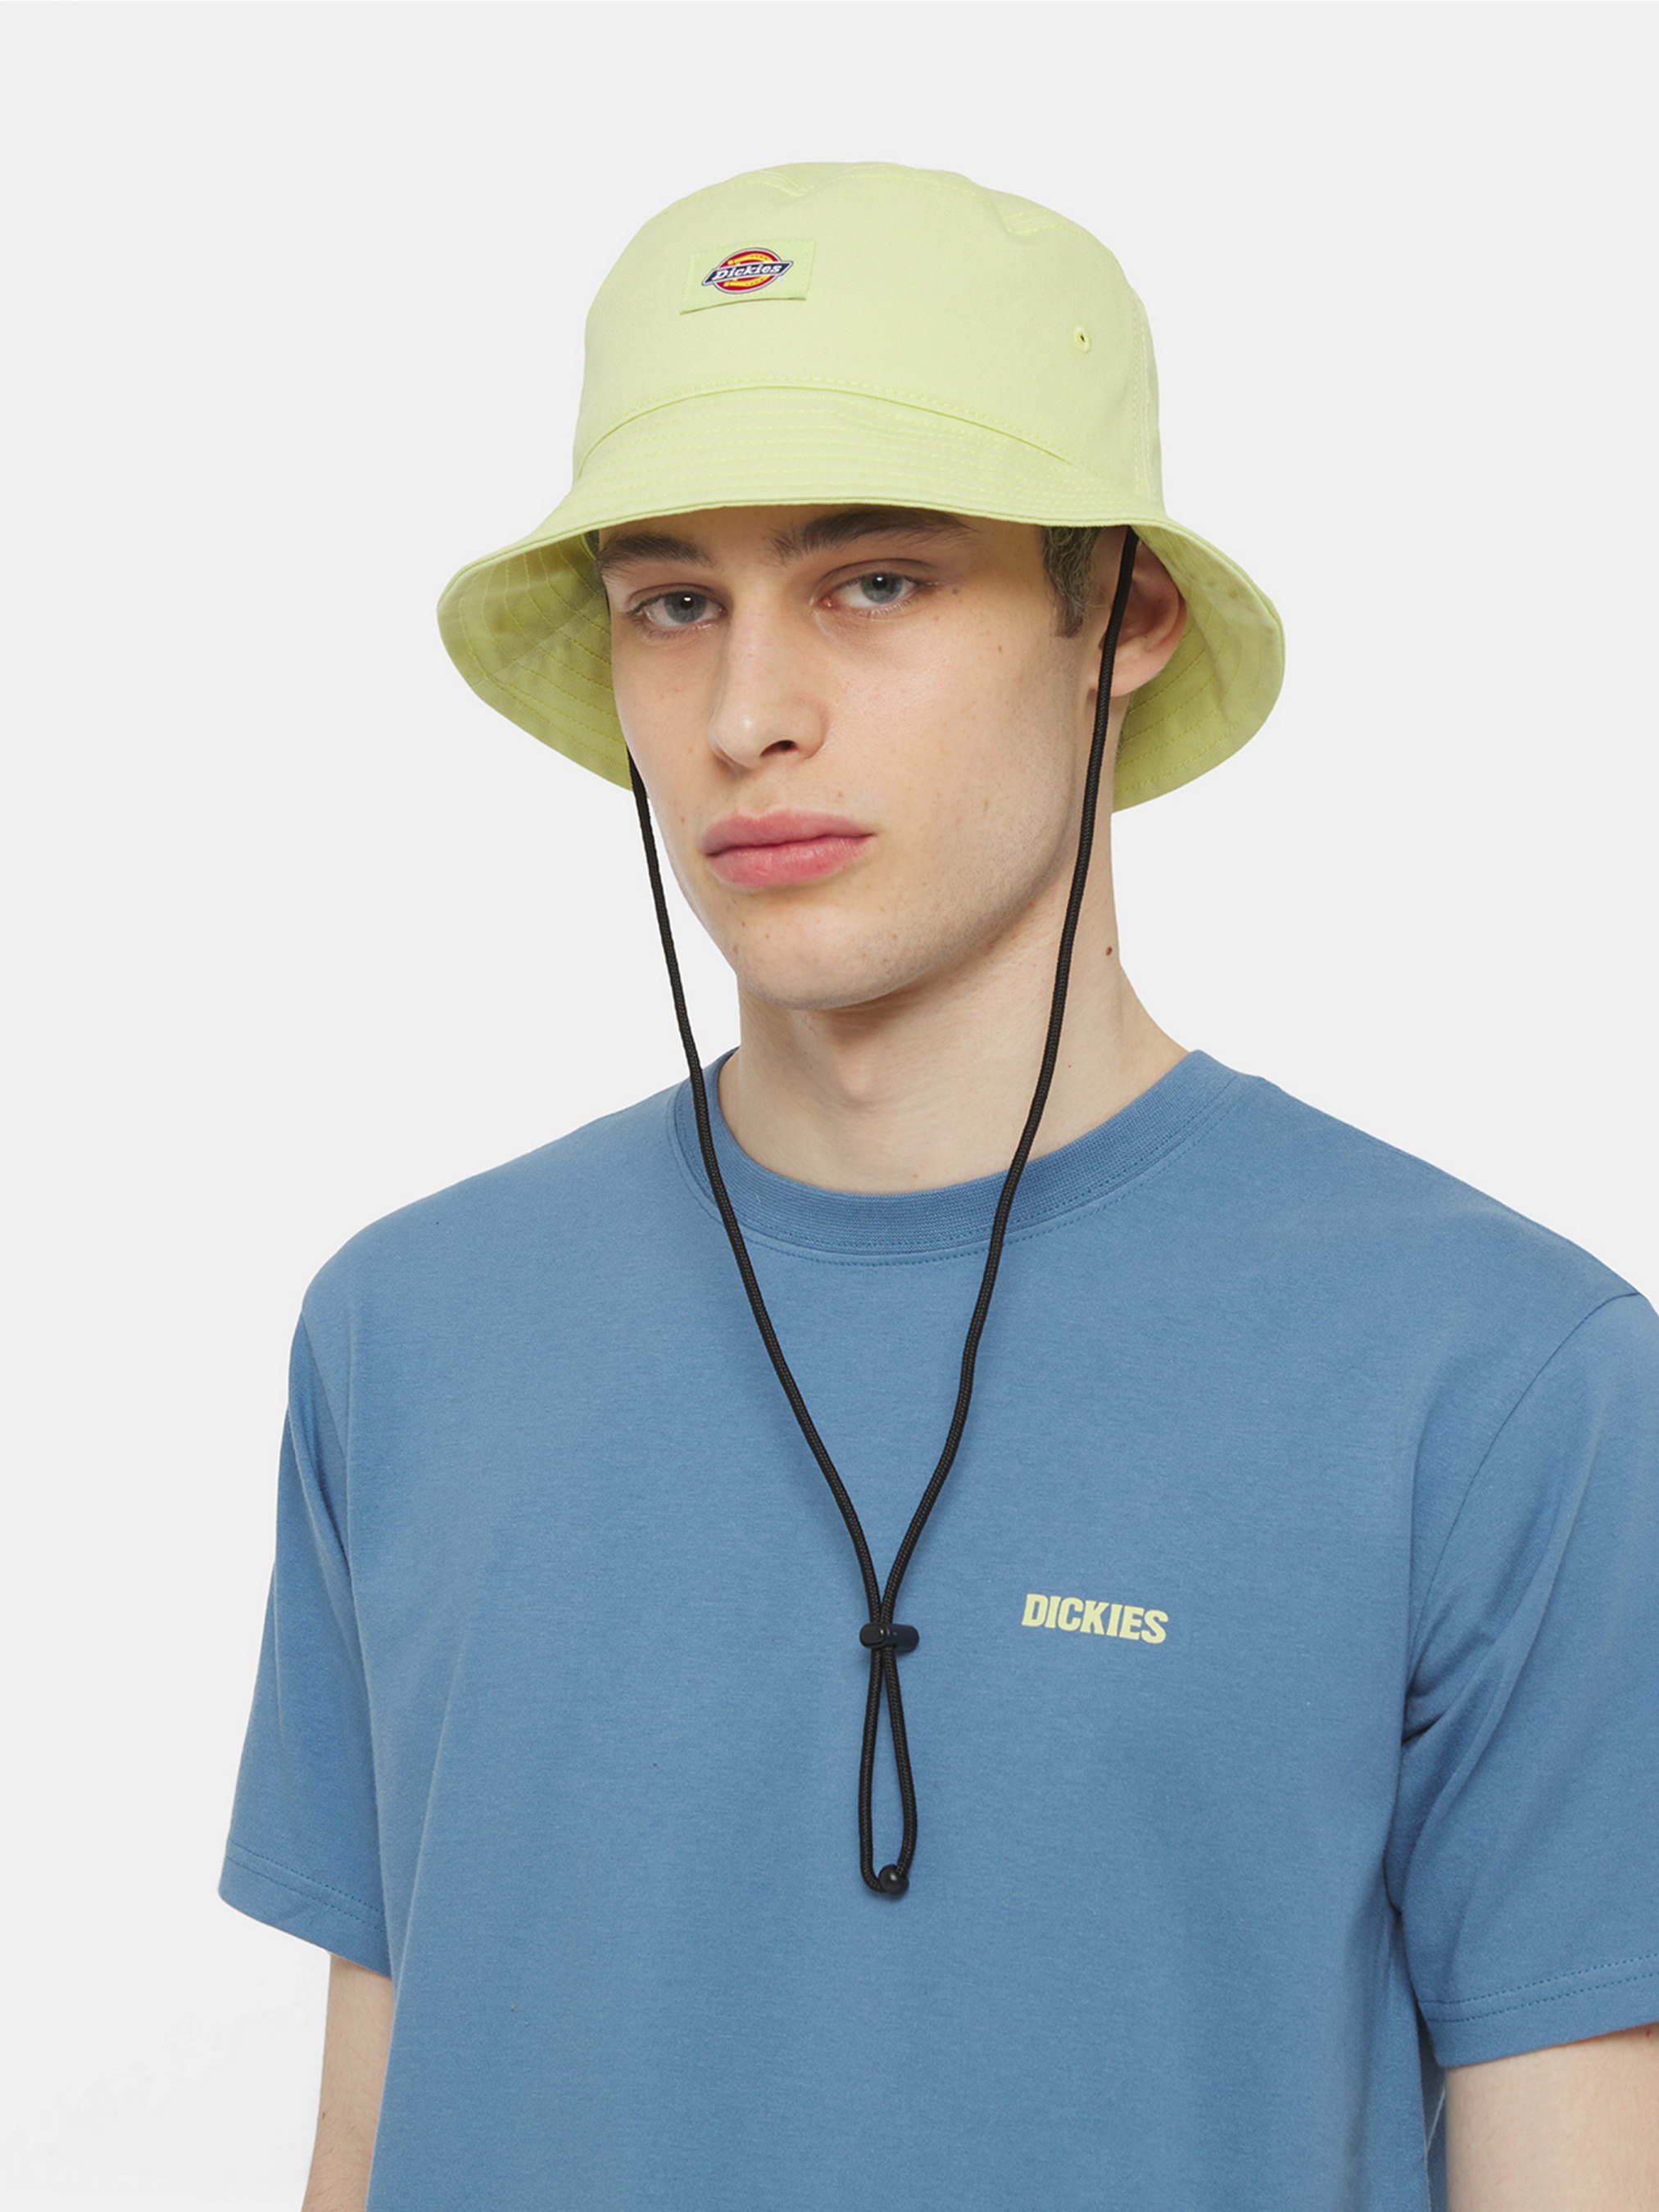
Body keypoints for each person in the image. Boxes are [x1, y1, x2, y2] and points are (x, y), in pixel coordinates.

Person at [218, 163, 1659, 2212]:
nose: (747, 717)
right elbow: (372, 2136)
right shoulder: (407, 1333)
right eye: (670, 601)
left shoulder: (1502, 1382)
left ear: (1120, 616)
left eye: (876, 581)